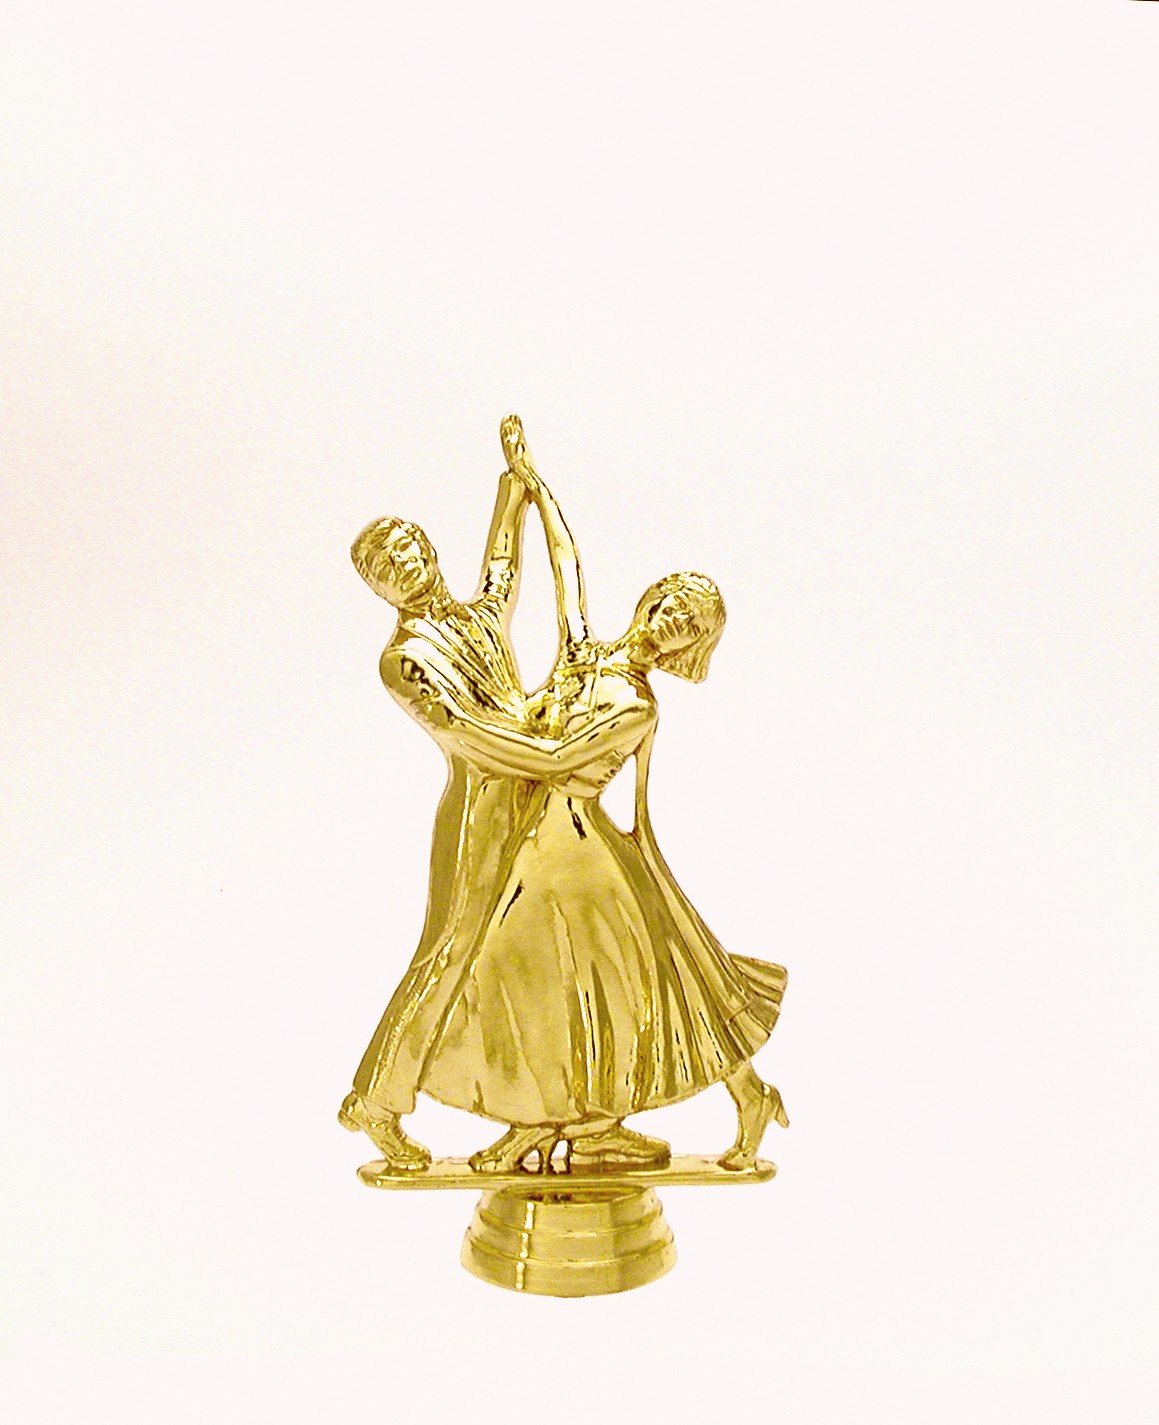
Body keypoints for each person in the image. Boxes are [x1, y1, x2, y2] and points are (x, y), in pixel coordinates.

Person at [337, 463, 535, 1169]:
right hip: (483, 808)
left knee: (526, 951)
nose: (402, 564)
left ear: (428, 546)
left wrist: (513, 488)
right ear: (378, 591)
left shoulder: (480, 618)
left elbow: (503, 569)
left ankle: (545, 1110)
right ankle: (377, 1101)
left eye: (406, 547)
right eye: (383, 567)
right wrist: (555, 755)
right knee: (451, 952)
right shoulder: (402, 659)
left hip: (536, 796)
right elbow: (467, 735)